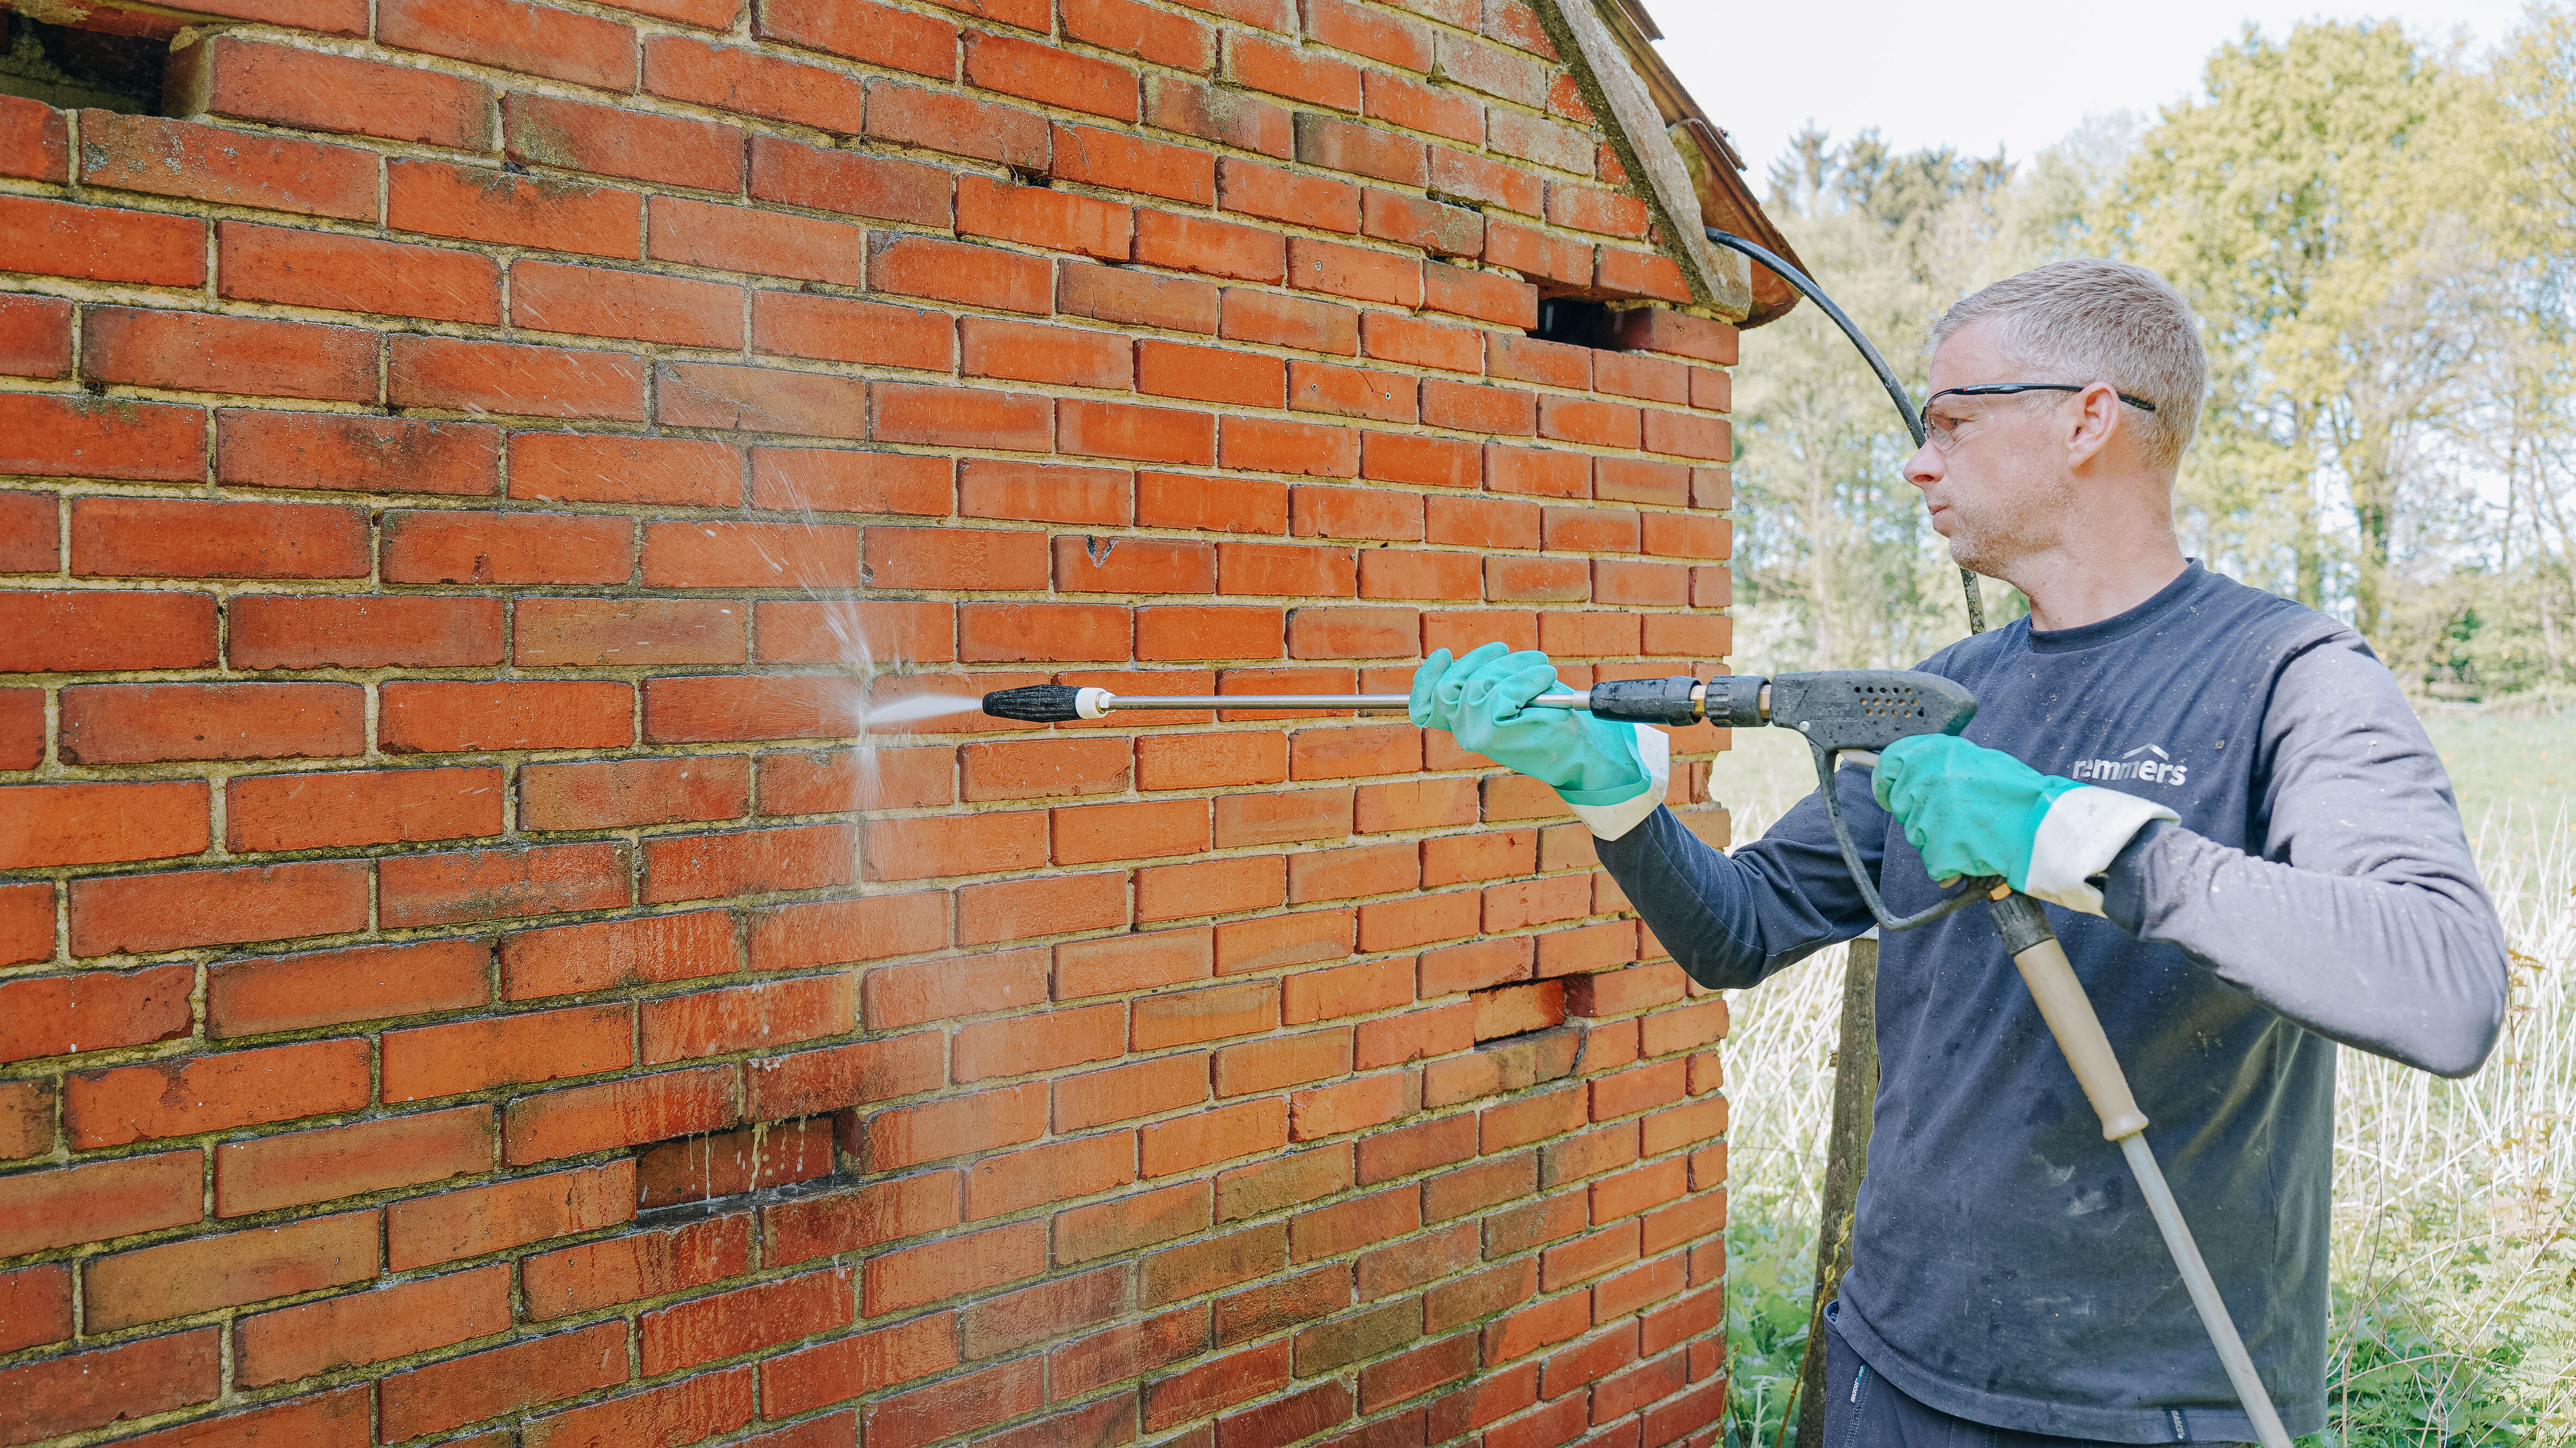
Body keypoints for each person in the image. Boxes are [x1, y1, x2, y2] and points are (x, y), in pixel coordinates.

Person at [1408, 258, 2508, 1446]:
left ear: (2091, 418)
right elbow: (1740, 929)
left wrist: (2083, 839)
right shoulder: (1950, 694)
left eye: (1952, 423)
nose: (1918, 461)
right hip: (1894, 1366)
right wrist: (1608, 794)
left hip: (2150, 1405)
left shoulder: (2290, 676)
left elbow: (2444, 987)